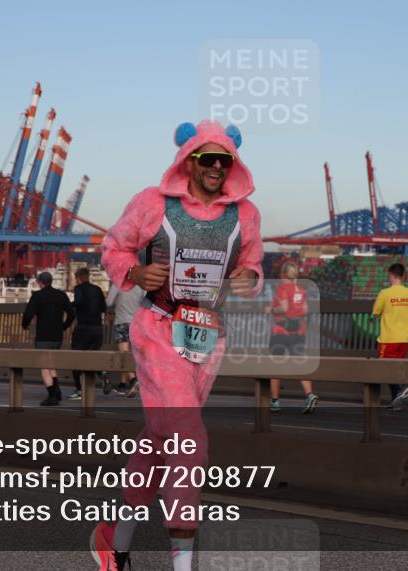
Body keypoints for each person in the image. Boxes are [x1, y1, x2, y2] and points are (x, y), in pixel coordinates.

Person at [94, 120, 263, 571]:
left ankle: (115, 539)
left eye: (223, 160)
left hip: (207, 334)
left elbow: (251, 263)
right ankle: (183, 565)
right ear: (188, 160)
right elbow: (115, 247)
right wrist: (133, 273)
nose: (214, 166)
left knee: (159, 439)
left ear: (233, 164)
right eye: (206, 158)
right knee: (188, 440)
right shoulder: (153, 203)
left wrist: (251, 277)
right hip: (158, 327)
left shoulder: (245, 214)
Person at [268, 262, 317, 413]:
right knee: (299, 363)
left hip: (281, 331)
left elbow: (283, 308)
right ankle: (309, 395)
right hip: (298, 331)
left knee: (275, 366)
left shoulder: (282, 288)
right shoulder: (300, 290)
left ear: (283, 275)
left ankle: (275, 401)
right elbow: (305, 310)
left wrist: (270, 309)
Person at [22, 271, 76, 406]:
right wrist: (64, 326)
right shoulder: (61, 295)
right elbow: (71, 313)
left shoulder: (37, 296)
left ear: (40, 282)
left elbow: (28, 313)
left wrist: (25, 325)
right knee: (52, 364)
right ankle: (57, 391)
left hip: (43, 336)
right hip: (57, 336)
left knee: (44, 366)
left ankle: (52, 394)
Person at [372, 263, 408, 411]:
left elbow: (376, 313)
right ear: (403, 276)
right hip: (404, 338)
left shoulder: (385, 293)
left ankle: (401, 390)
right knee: (396, 368)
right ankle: (396, 402)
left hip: (388, 338)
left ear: (391, 275)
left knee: (385, 368)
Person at [68, 267, 107, 401]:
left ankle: (79, 389)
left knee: (75, 357)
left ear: (78, 278)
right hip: (97, 328)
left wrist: (69, 306)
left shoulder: (79, 289)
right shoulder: (97, 289)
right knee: (93, 356)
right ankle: (102, 374)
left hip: (83, 328)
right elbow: (104, 308)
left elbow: (78, 302)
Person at [105, 281, 145, 397]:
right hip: (137, 324)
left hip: (122, 322)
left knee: (123, 354)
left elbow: (109, 302)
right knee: (130, 355)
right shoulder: (140, 285)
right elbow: (145, 302)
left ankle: (133, 380)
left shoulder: (118, 284)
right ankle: (123, 384)